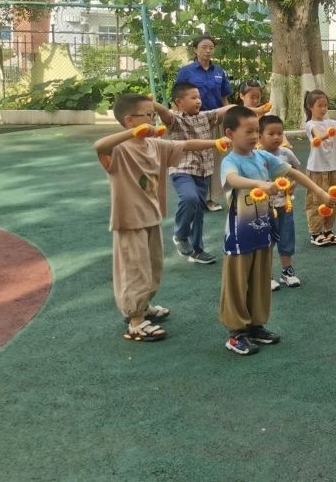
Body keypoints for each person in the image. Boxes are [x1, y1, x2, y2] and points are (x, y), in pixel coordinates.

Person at [94, 93, 223, 342]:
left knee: (153, 266)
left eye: (153, 115)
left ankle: (143, 306)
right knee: (135, 269)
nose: (153, 119)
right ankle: (135, 321)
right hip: (129, 220)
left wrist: (215, 143)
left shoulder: (154, 145)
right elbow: (99, 146)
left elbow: (185, 144)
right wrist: (132, 134)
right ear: (129, 120)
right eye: (148, 115)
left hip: (151, 216)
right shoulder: (119, 149)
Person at [218, 106, 336, 356]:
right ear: (229, 133)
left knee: (260, 279)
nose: (254, 136)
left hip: (264, 230)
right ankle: (236, 333)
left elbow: (293, 172)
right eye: (248, 131)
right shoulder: (231, 161)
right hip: (240, 234)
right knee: (237, 282)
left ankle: (255, 325)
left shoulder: (263, 157)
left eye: (256, 131)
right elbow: (232, 179)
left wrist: (321, 193)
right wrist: (258, 183)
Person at [157, 82, 239, 265]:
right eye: (193, 98)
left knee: (198, 212)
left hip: (204, 170)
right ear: (179, 102)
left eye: (199, 97)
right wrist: (151, 104)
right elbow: (163, 112)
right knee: (190, 198)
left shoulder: (204, 116)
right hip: (182, 169)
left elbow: (227, 109)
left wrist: (253, 109)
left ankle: (197, 250)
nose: (198, 101)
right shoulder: (175, 120)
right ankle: (180, 235)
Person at [174, 34, 232, 211]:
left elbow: (225, 98)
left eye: (211, 48)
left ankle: (212, 198)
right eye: (204, 47)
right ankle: (200, 197)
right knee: (197, 159)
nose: (208, 51)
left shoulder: (219, 72)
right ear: (195, 50)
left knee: (215, 159)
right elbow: (177, 97)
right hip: (194, 122)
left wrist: (229, 119)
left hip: (215, 119)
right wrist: (178, 119)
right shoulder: (186, 72)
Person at [258, 114, 302, 290]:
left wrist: (294, 184)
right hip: (264, 208)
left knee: (286, 236)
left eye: (280, 133)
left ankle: (287, 271)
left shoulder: (286, 153)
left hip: (285, 205)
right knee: (266, 240)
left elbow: (296, 170)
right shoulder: (256, 156)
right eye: (271, 134)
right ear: (260, 136)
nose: (276, 137)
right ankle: (265, 275)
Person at [303, 90, 336, 246]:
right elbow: (317, 135)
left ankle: (328, 230)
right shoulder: (310, 124)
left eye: (325, 105)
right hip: (316, 169)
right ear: (310, 107)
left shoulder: (331, 123)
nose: (323, 109)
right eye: (320, 105)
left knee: (334, 200)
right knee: (316, 200)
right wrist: (327, 134)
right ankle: (315, 233)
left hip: (332, 169)